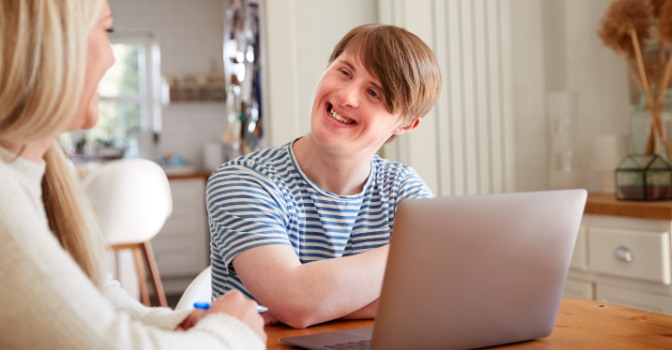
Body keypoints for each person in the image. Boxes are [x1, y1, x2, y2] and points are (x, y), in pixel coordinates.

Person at [0, 0, 265, 348]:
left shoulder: (34, 173)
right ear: (49, 45)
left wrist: (172, 323)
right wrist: (233, 331)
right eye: (105, 29)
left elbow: (86, 290)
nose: (111, 56)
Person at [207, 24, 442, 329]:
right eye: (345, 72)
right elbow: (296, 301)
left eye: (374, 92)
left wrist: (316, 306)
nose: (346, 96)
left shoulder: (402, 188)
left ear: (405, 125)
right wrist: (414, 251)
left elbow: (440, 292)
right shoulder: (242, 182)